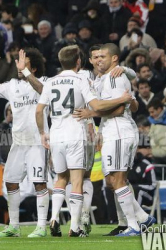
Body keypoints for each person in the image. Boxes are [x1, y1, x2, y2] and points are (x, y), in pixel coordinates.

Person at [36, 45, 133, 237]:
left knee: (60, 178)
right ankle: (75, 227)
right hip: (76, 134)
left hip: (56, 135)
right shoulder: (81, 79)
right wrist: (121, 99)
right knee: (78, 180)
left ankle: (54, 217)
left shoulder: (51, 81)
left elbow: (39, 111)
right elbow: (96, 105)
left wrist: (42, 133)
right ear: (79, 61)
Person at [95, 43, 155, 236]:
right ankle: (143, 218)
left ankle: (133, 225)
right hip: (116, 131)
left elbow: (120, 108)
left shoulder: (115, 77)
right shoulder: (111, 77)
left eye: (103, 56)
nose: (99, 60)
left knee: (117, 180)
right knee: (113, 181)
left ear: (114, 58)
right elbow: (132, 104)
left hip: (119, 131)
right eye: (96, 57)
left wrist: (92, 110)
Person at [0, 48, 50, 238]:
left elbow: (43, 91)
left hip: (37, 141)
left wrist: (25, 72)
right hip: (18, 142)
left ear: (32, 68)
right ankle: (14, 226)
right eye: (18, 63)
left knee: (39, 183)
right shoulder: (12, 85)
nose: (18, 66)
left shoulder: (46, 82)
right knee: (10, 181)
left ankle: (41, 226)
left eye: (23, 63)